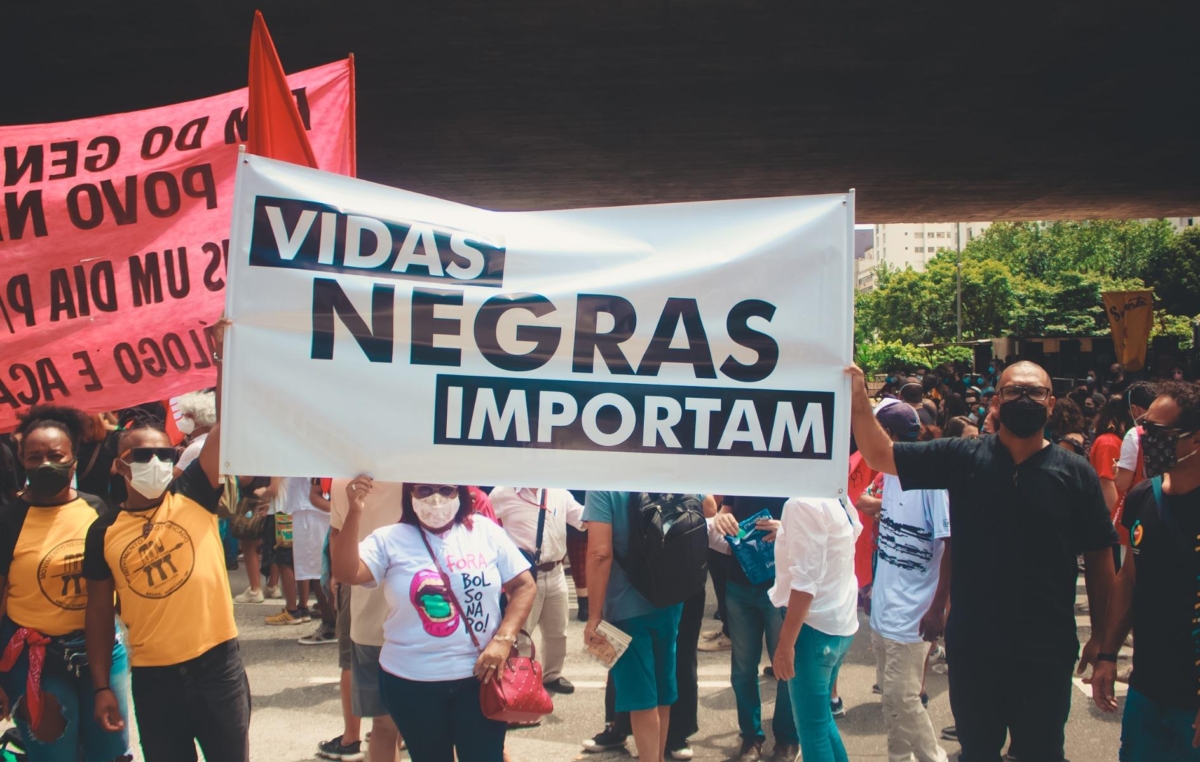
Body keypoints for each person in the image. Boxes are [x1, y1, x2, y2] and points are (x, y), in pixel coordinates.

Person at [848, 360, 1118, 762]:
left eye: (1035, 392)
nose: (1024, 399)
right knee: (977, 750)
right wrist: (856, 397)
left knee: (1041, 752)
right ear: (996, 401)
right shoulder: (962, 456)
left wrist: (1102, 639)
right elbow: (881, 454)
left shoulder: (1075, 473)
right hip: (975, 645)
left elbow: (1100, 558)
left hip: (1046, 648)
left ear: (1051, 402)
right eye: (1014, 391)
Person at [82, 318, 251, 762]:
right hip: (154, 678)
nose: (157, 462)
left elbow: (230, 418)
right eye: (143, 456)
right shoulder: (103, 530)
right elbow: (99, 612)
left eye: (166, 454)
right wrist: (102, 686)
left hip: (218, 669)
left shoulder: (193, 491)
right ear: (120, 466)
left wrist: (223, 356)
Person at [332, 479, 537, 762]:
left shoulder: (484, 532)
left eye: (446, 489)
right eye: (424, 490)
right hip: (411, 683)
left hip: (481, 679)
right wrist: (355, 512)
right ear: (410, 495)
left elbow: (524, 586)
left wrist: (503, 640)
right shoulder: (389, 539)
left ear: (460, 493)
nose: (436, 499)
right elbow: (346, 572)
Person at [0, 406, 132, 761]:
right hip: (35, 658)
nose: (45, 464)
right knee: (53, 753)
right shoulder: (8, 520)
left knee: (112, 750)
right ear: (21, 463)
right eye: (34, 457)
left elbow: (115, 588)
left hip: (102, 652)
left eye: (55, 455)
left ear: (73, 459)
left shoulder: (97, 511)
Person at [583, 492, 736, 762]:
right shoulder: (670, 469)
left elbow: (599, 553)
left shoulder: (604, 484)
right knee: (663, 689)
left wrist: (594, 615)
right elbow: (709, 506)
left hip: (624, 605)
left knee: (640, 695)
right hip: (671, 599)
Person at [1093, 382, 1200, 760]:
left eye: (1158, 432)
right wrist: (1107, 655)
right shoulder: (1142, 496)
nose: (1145, 438)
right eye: (1143, 427)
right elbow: (1128, 579)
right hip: (1146, 688)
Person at [868, 404, 951, 762]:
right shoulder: (890, 475)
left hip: (914, 613)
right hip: (884, 609)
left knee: (903, 698)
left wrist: (937, 608)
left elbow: (951, 543)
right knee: (890, 697)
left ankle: (933, 758)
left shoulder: (932, 481)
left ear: (891, 437)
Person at [770, 496, 862, 762]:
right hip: (838, 622)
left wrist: (785, 645)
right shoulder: (834, 493)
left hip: (813, 628)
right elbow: (849, 533)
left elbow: (805, 583)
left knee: (812, 731)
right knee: (820, 721)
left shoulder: (802, 503)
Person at [328, 478, 410, 762]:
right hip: (420, 621)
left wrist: (337, 575)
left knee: (384, 727)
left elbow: (336, 535)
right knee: (435, 726)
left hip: (368, 615)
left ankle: (352, 736)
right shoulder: (423, 477)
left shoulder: (343, 483)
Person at [719, 496, 798, 762]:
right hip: (739, 583)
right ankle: (751, 737)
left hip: (780, 584)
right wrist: (721, 518)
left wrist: (785, 530)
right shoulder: (741, 470)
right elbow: (725, 510)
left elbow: (818, 525)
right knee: (742, 669)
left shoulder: (798, 472)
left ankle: (787, 740)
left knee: (784, 667)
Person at [490, 487, 585, 694]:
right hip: (523, 576)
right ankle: (521, 678)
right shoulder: (502, 493)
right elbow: (483, 524)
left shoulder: (559, 492)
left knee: (558, 631)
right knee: (522, 633)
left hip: (556, 571)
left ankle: (552, 675)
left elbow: (584, 520)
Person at [291, 477, 336, 644]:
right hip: (310, 510)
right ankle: (332, 622)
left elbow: (316, 492)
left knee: (318, 571)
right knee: (316, 571)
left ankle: (331, 624)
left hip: (313, 513)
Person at [173, 391, 216, 473]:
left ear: (199, 419)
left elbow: (172, 479)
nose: (182, 419)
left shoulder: (196, 447)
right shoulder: (214, 442)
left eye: (186, 416)